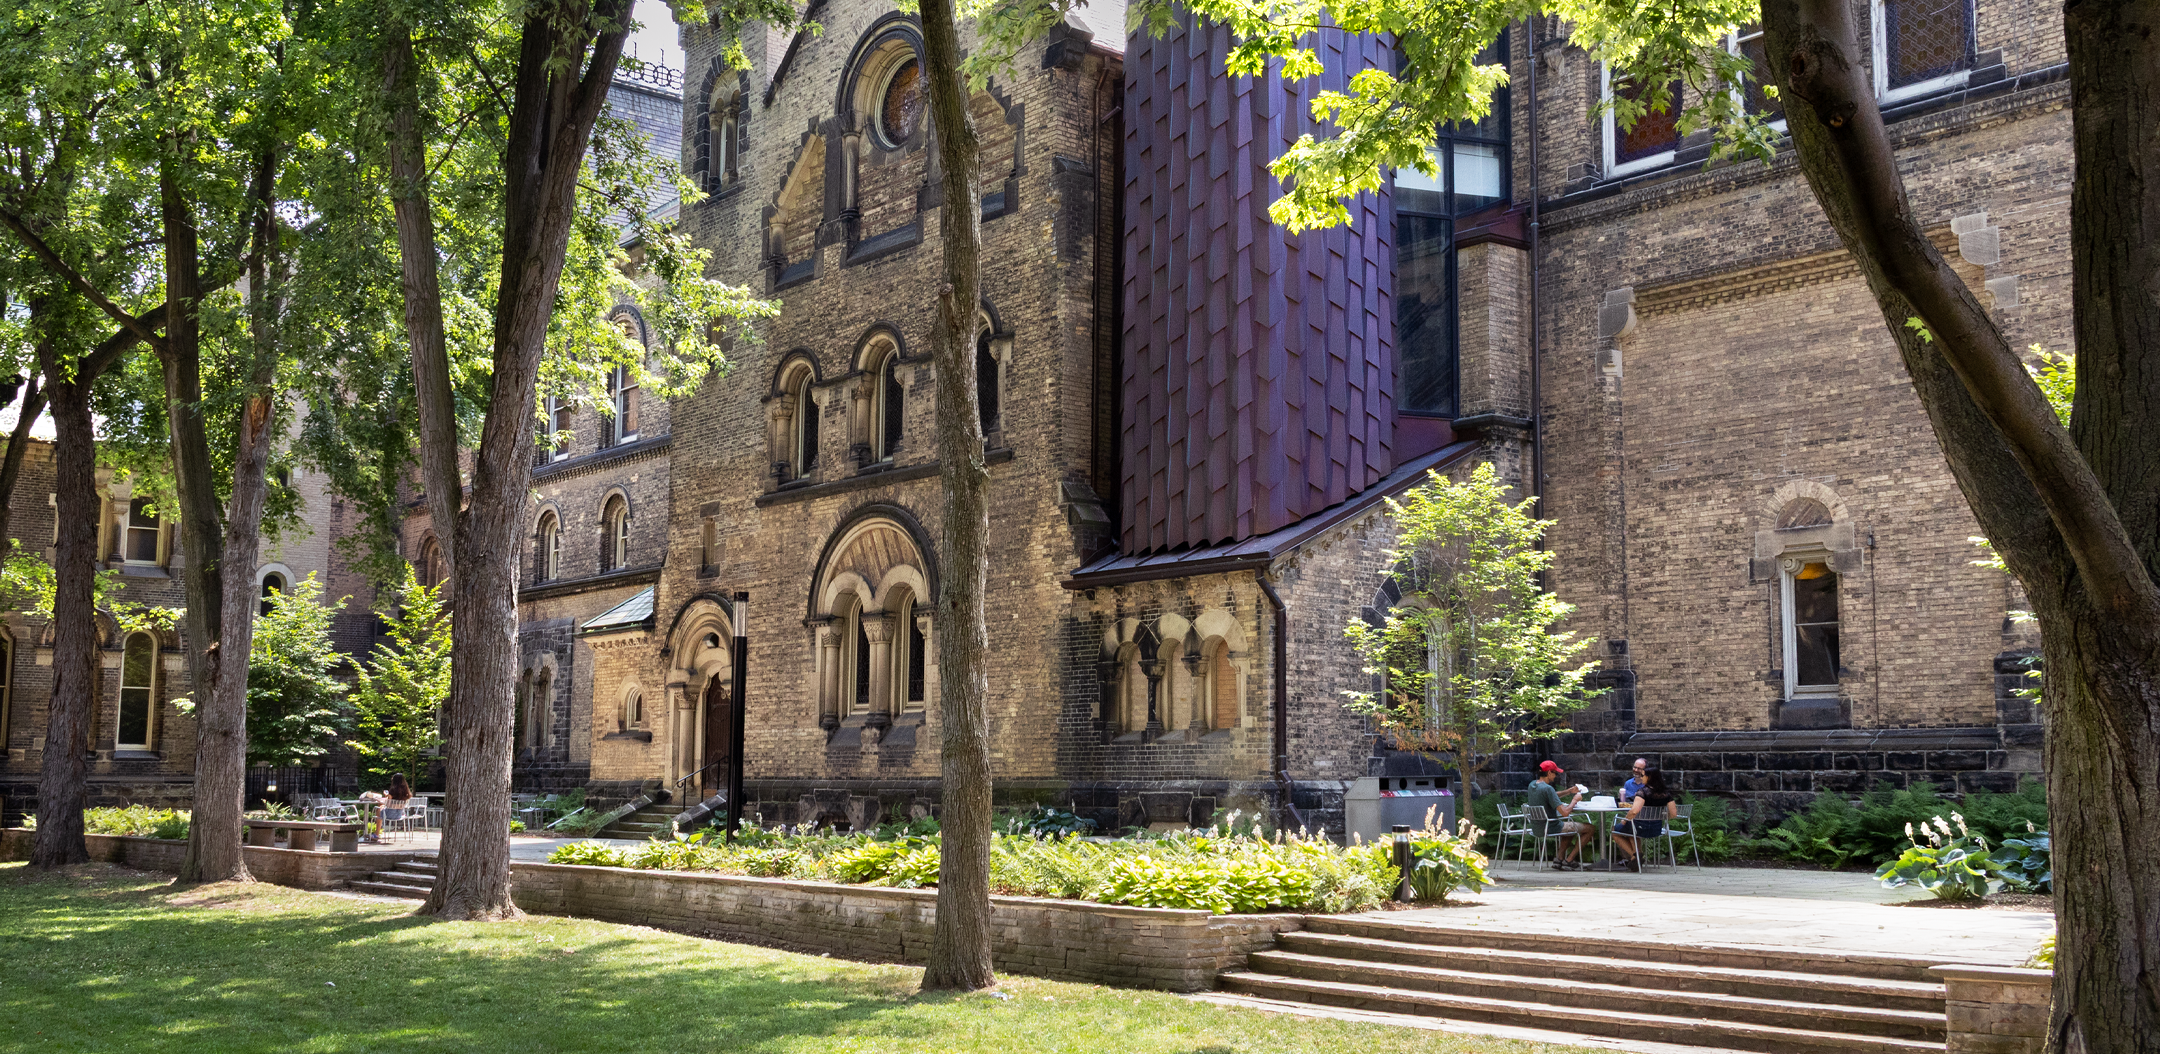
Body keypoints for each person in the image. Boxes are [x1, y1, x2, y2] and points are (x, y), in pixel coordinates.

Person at [1526, 760, 1594, 869]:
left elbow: (1551, 796)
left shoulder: (1532, 785)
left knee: (1570, 829)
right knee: (1590, 828)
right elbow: (1565, 813)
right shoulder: (1548, 788)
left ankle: (1559, 860)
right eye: (1555, 773)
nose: (1556, 776)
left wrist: (1568, 791)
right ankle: (1569, 860)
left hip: (1537, 827)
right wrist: (1574, 800)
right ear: (1549, 773)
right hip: (1551, 827)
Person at [1612, 766, 1679, 872]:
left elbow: (1634, 811)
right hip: (1656, 829)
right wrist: (1661, 817)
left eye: (1643, 775)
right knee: (1631, 830)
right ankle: (1636, 856)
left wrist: (1624, 820)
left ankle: (1634, 856)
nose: (1641, 777)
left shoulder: (1642, 792)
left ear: (1649, 777)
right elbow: (1674, 814)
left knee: (1615, 831)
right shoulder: (1666, 794)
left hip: (1640, 828)